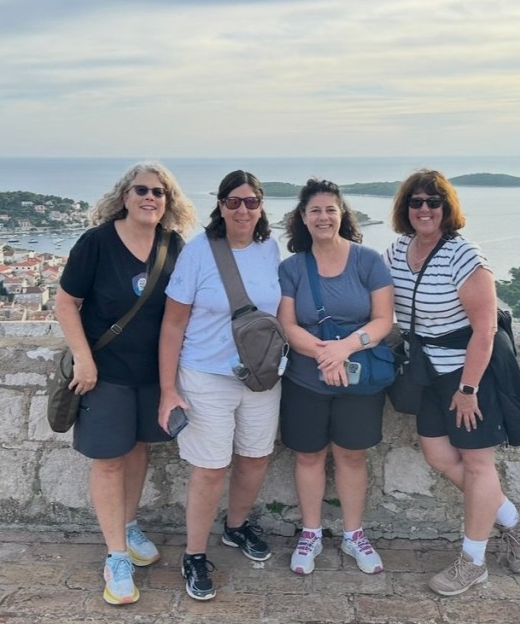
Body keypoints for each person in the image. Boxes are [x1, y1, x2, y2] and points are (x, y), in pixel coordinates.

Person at [384, 168, 520, 597]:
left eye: (433, 202)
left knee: (476, 463)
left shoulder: (463, 256)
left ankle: (472, 562)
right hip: (426, 371)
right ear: (405, 208)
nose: (424, 209)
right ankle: (514, 518)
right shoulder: (397, 250)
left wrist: (468, 389)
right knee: (438, 455)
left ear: (446, 207)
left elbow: (484, 330)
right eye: (416, 202)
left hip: (467, 374)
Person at [54, 161, 197, 606]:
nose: (150, 197)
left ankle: (129, 525)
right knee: (109, 461)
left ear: (168, 202)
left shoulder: (173, 245)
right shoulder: (97, 242)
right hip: (106, 372)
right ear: (125, 196)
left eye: (159, 192)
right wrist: (83, 359)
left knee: (137, 450)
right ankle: (116, 556)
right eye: (142, 190)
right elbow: (66, 302)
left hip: (152, 374)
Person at [158, 170, 282, 602]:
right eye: (234, 202)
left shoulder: (270, 248)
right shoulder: (198, 253)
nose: (243, 210)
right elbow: (172, 325)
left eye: (251, 202)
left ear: (261, 206)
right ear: (221, 206)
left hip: (260, 374)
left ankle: (236, 526)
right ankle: (194, 554)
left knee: (255, 457)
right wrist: (168, 390)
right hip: (206, 375)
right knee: (210, 469)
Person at [277, 179, 395, 576]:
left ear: (342, 214)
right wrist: (326, 355)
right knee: (309, 455)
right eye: (315, 210)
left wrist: (344, 348)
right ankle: (310, 533)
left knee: (351, 456)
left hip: (359, 378)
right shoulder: (292, 268)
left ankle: (353, 533)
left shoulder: (368, 261)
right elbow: (287, 325)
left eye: (330, 209)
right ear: (303, 218)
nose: (323, 217)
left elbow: (383, 319)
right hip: (305, 379)